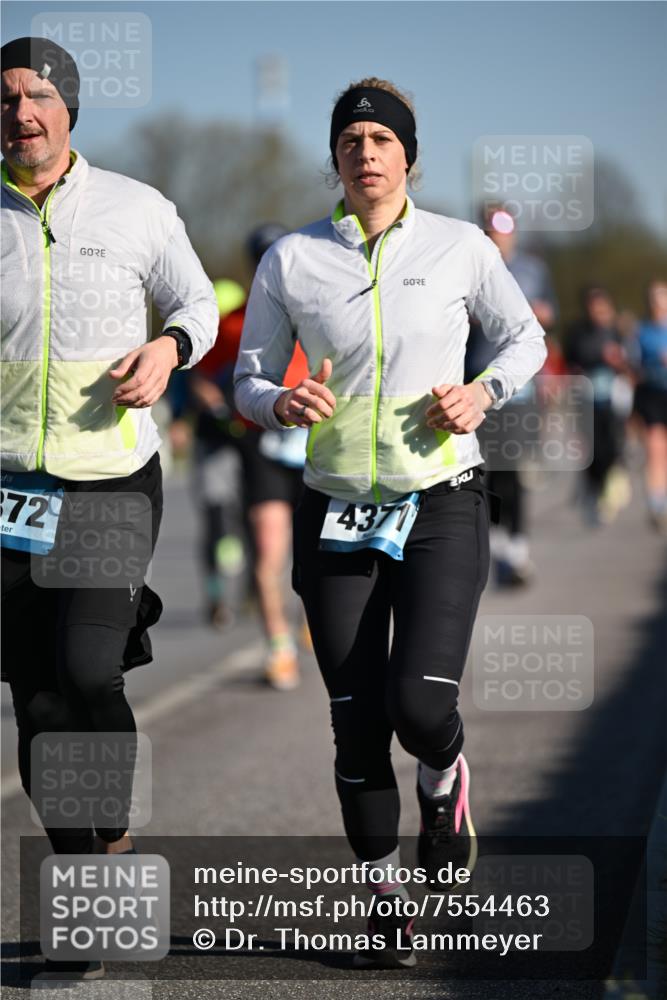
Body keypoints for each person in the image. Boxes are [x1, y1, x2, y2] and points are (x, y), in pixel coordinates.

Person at [234, 77, 547, 967]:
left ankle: (445, 778)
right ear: (332, 158)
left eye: (380, 139)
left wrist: (481, 391)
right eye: (349, 140)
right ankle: (385, 897)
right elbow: (246, 376)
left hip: (441, 498)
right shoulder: (290, 259)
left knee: (418, 706)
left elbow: (525, 339)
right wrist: (277, 401)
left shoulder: (458, 248)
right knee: (355, 719)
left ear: (408, 154)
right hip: (334, 507)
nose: (364, 153)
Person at [1, 37, 217, 979]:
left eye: (38, 95)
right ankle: (85, 884)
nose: (20, 113)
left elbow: (200, 303)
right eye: (5, 98)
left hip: (110, 475)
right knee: (35, 695)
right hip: (9, 488)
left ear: (70, 108)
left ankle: (116, 836)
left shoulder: (138, 207)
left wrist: (169, 348)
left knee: (89, 668)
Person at [193, 226, 310, 688]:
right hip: (262, 445)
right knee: (267, 548)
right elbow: (202, 378)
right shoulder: (235, 322)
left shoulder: (325, 306)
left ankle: (310, 621)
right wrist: (221, 409)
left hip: (320, 447)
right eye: (262, 259)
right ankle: (279, 647)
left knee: (316, 555)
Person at [465, 204, 558, 585]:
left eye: (503, 226)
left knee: (512, 469)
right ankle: (496, 543)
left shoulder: (533, 270)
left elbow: (549, 315)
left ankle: (516, 547)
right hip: (474, 385)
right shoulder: (470, 265)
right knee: (482, 471)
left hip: (518, 389)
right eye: (490, 227)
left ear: (514, 231)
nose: (497, 234)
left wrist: (533, 312)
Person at [564, 286, 633, 524]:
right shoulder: (577, 332)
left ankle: (607, 487)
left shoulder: (616, 331)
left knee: (612, 446)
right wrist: (598, 357)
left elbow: (629, 362)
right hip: (586, 397)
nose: (600, 312)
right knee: (594, 449)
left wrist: (619, 361)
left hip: (613, 399)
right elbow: (572, 359)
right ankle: (593, 489)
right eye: (595, 308)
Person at [633, 279, 667, 533]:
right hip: (652, 395)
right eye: (654, 298)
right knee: (655, 449)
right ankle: (657, 504)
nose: (658, 303)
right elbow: (632, 366)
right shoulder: (642, 331)